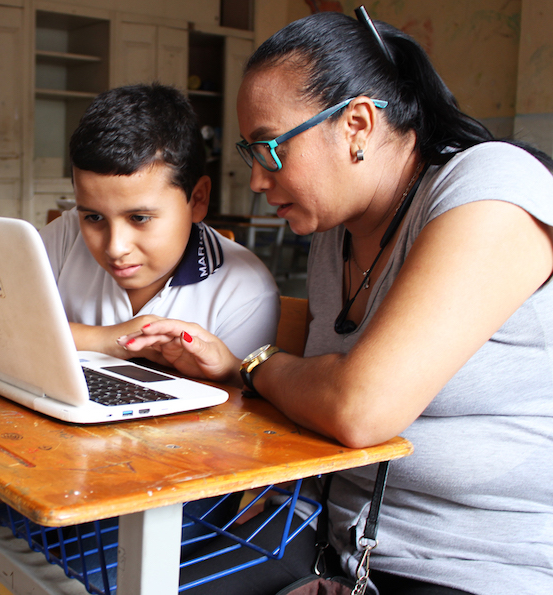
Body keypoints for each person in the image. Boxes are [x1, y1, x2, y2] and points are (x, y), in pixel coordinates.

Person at [117, 10, 553, 595]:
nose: (256, 181)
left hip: (471, 563)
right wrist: (229, 367)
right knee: (128, 578)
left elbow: (359, 408)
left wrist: (254, 366)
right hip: (332, 538)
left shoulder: (492, 188)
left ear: (356, 125)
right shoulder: (335, 231)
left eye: (270, 149)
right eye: (252, 153)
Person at [0, 82, 281, 595]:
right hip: (52, 467)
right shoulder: (67, 234)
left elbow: (234, 455)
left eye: (140, 218)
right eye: (94, 216)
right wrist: (108, 340)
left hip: (164, 498)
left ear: (197, 199)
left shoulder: (242, 288)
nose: (115, 247)